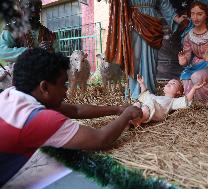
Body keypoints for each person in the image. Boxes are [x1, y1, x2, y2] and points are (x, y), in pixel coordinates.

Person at [0, 48, 142, 187]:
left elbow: (76, 110)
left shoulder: (11, 94)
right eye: (63, 84)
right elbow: (101, 139)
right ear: (44, 87)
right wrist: (127, 115)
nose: (66, 91)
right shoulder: (39, 119)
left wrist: (117, 109)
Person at [105, 0, 187, 100]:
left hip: (152, 23)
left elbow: (163, 2)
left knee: (151, 59)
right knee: (134, 59)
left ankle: (148, 91)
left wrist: (176, 17)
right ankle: (134, 92)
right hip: (133, 20)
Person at [131, 74, 204, 126]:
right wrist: (142, 83)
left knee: (150, 102)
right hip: (148, 107)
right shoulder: (156, 97)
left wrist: (193, 89)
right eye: (168, 83)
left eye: (173, 83)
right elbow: (145, 95)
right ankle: (131, 117)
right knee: (139, 103)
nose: (170, 83)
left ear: (178, 92)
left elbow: (186, 99)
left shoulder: (173, 101)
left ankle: (138, 119)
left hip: (158, 112)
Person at [0, 0, 58, 64]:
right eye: (29, 5)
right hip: (20, 72)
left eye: (37, 6)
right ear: (20, 8)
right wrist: (33, 52)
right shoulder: (12, 29)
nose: (34, 9)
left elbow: (57, 56)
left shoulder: (49, 34)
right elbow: (2, 52)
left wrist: (51, 53)